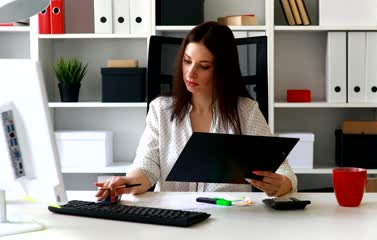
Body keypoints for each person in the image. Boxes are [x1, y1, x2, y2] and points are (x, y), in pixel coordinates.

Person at [96, 21, 297, 202]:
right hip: (174, 217)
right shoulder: (161, 110)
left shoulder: (246, 111)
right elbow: (146, 168)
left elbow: (283, 170)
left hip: (229, 218)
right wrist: (126, 182)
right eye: (187, 60)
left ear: (222, 70)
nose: (191, 72)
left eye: (204, 66)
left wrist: (282, 184)